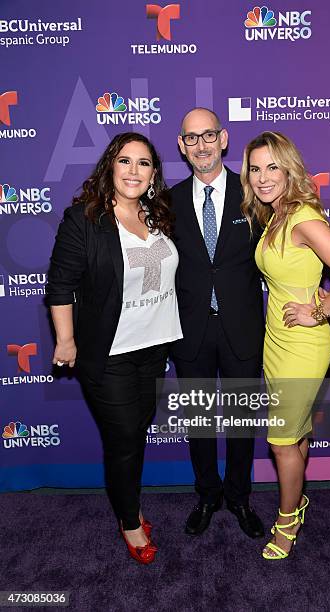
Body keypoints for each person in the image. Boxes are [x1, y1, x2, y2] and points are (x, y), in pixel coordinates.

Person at [45, 132, 182, 565]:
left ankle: (129, 503)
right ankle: (129, 522)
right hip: (109, 353)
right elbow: (60, 286)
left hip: (154, 348)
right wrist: (66, 341)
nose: (133, 171)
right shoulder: (84, 219)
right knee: (124, 439)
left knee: (136, 431)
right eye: (125, 161)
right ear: (110, 166)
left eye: (144, 164)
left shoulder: (158, 214)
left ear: (153, 174)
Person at [241, 131, 330, 559]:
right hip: (276, 342)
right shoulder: (277, 214)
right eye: (255, 169)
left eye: (272, 167)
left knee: (279, 442)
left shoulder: (300, 217)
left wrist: (320, 310)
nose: (262, 177)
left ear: (289, 168)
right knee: (293, 434)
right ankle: (298, 500)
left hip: (302, 345)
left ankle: (287, 523)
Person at [170, 108, 265, 538]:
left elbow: (282, 251)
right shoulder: (166, 202)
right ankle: (208, 495)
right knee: (201, 421)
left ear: (223, 139)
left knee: (243, 421)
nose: (201, 145)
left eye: (208, 135)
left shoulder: (254, 194)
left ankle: (239, 497)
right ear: (181, 145)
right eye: (192, 138)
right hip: (190, 330)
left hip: (242, 327)